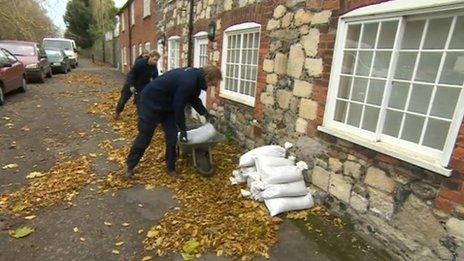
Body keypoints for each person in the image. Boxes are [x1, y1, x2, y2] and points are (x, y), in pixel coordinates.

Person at [124, 65, 222, 180]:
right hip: (150, 102)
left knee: (172, 137)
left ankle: (170, 168)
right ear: (207, 77)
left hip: (167, 105)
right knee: (145, 135)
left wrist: (206, 114)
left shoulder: (195, 79)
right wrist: (183, 129)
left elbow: (193, 99)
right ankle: (130, 166)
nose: (211, 86)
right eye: (212, 84)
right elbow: (179, 107)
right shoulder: (188, 81)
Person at [115, 49, 159, 119]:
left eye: (157, 60)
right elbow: (131, 74)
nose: (155, 62)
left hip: (142, 85)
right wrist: (131, 85)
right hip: (131, 82)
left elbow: (156, 79)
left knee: (141, 102)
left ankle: (141, 118)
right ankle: (118, 111)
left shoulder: (154, 67)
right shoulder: (140, 63)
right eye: (154, 59)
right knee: (123, 99)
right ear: (150, 57)